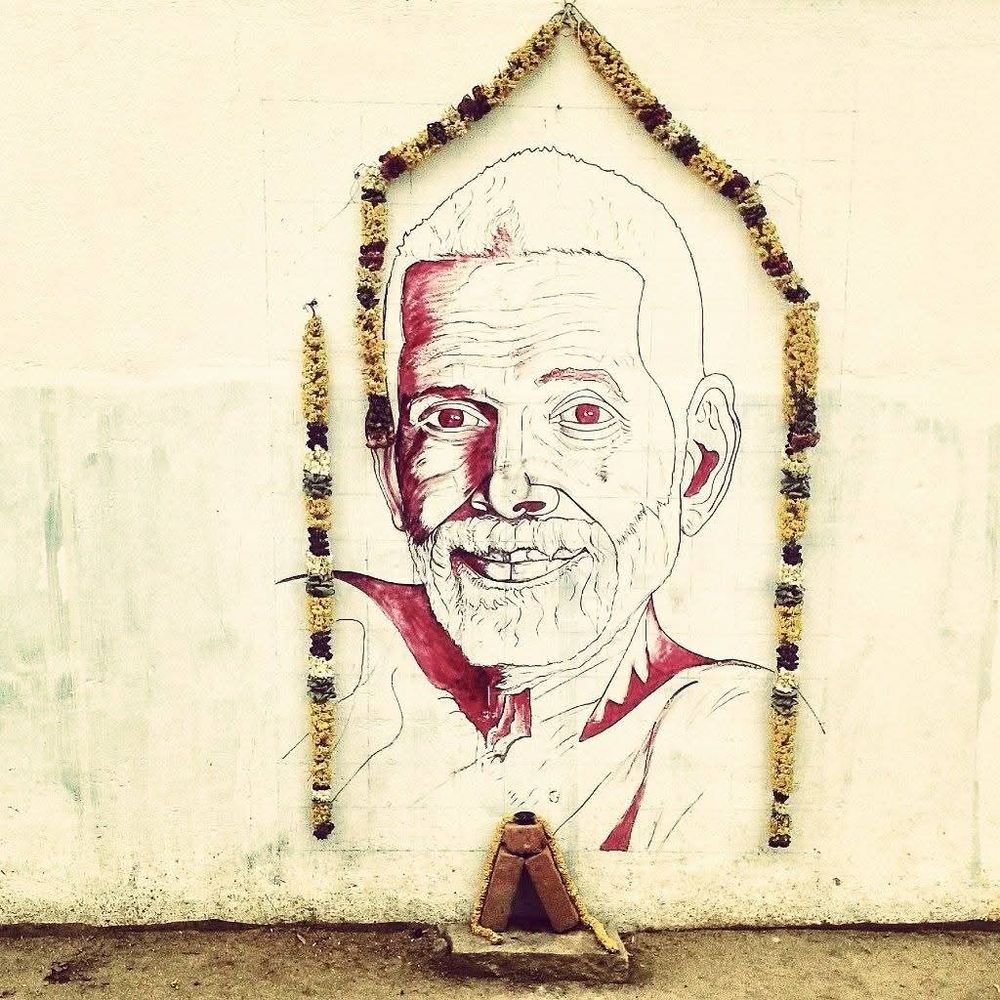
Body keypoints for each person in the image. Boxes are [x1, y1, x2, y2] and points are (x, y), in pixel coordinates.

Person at [328, 149, 776, 853]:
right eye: (451, 417)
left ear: (698, 462)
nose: (507, 489)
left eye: (584, 415)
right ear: (392, 469)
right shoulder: (340, 647)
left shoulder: (727, 736)